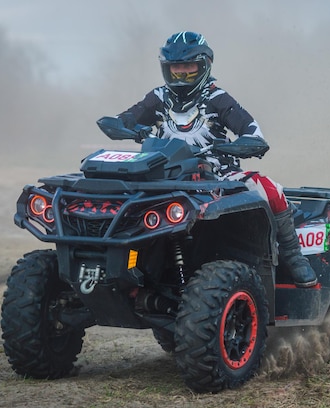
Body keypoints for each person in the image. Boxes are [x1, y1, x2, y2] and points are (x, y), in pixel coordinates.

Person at [114, 31, 317, 288]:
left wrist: (238, 146)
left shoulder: (218, 98)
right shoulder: (158, 97)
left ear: (204, 66)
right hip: (165, 179)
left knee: (268, 187)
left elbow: (254, 134)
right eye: (176, 68)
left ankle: (294, 256)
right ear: (166, 68)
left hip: (219, 177)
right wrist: (126, 127)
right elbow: (120, 120)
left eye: (189, 67)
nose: (182, 74)